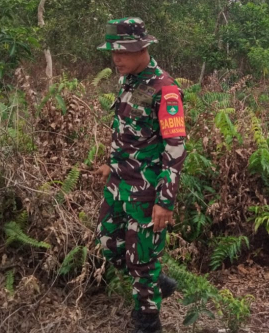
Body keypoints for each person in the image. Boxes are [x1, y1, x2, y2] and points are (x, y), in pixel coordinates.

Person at [94, 17, 187, 333]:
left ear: (143, 48)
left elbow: (175, 148)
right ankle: (154, 280)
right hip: (119, 185)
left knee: (143, 259)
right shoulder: (128, 81)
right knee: (109, 243)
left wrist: (165, 200)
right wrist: (112, 163)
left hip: (147, 193)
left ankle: (147, 322)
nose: (116, 58)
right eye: (113, 52)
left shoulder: (166, 90)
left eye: (123, 52)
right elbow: (126, 131)